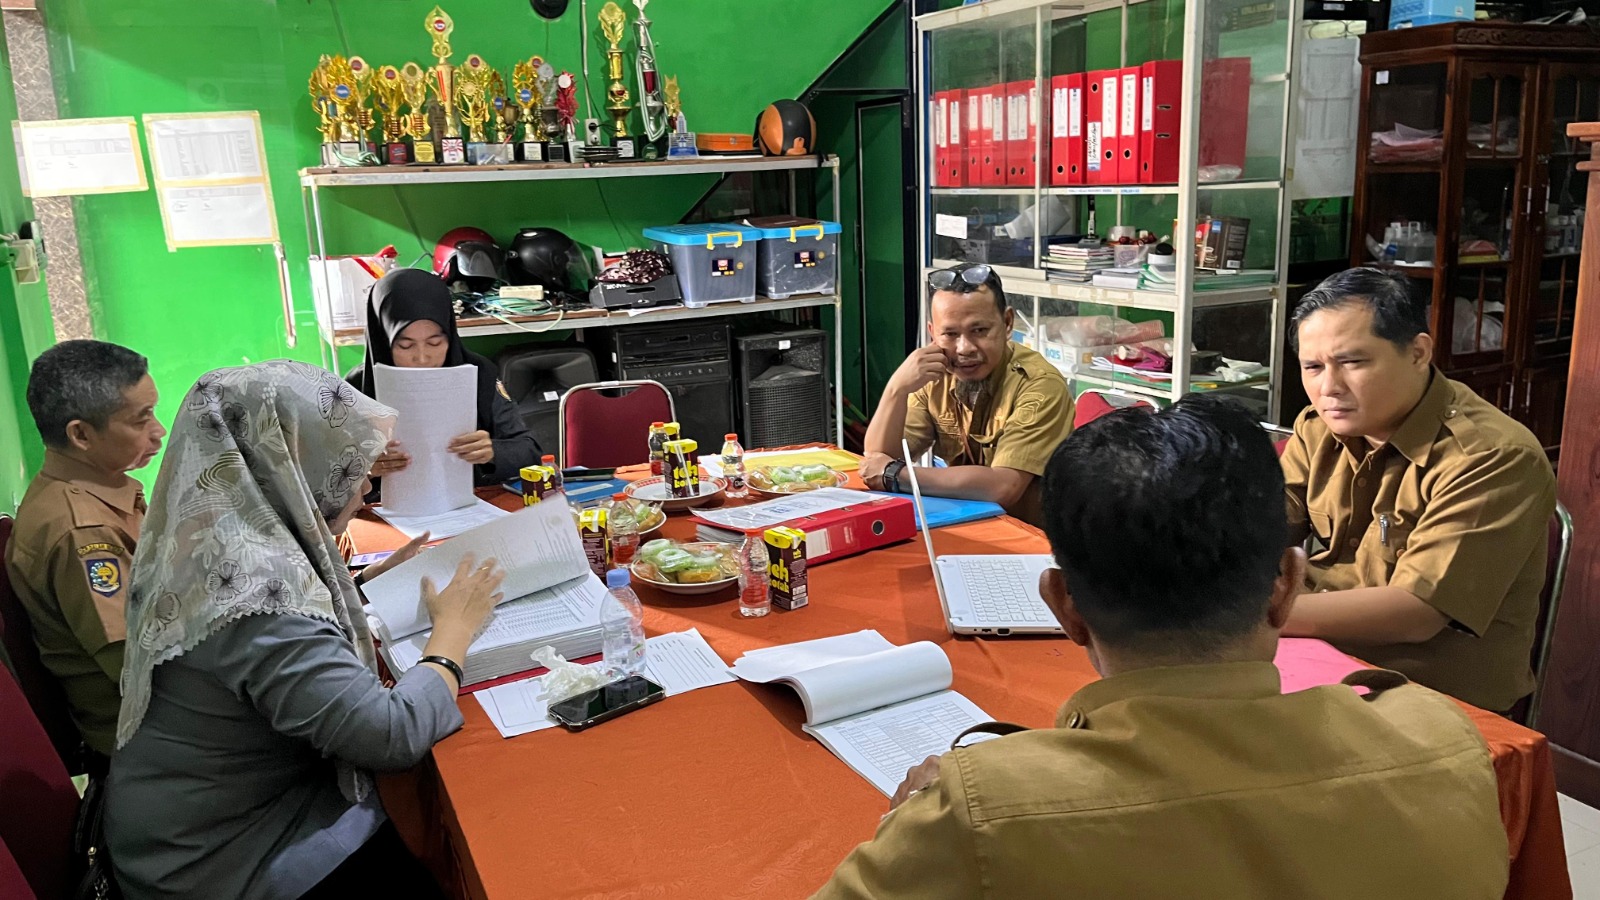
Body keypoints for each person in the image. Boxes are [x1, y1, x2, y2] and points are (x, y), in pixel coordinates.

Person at [815, 395, 1509, 899]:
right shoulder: (1442, 740)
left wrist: (917, 824)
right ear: (1286, 586)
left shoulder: (980, 813)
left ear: (1064, 607)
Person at [105, 361, 506, 900]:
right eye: (348, 463)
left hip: (206, 822)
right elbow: (390, 735)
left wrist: (359, 587)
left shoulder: (214, 535)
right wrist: (453, 634)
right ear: (292, 462)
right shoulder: (257, 597)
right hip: (227, 864)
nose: (366, 483)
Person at [1280, 267, 1556, 714]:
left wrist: (1251, 616)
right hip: (1318, 656)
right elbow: (1263, 521)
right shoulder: (1320, 428)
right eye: (1313, 367)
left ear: (1418, 352)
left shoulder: (1492, 457)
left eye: (1353, 363)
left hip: (1432, 697)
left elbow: (1416, 611)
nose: (1328, 388)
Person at [5, 340, 164, 762]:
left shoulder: (96, 491)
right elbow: (140, 666)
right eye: (142, 418)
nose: (159, 431)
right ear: (81, 435)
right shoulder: (83, 532)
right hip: (150, 741)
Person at [860, 264, 1072, 527]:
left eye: (979, 331)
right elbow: (877, 462)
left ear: (1007, 323)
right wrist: (896, 389)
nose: (965, 348)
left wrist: (897, 475)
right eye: (950, 334)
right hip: (965, 524)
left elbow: (1004, 486)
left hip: (1032, 536)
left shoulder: (1039, 384)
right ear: (932, 332)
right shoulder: (933, 375)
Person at [347, 267, 540, 487]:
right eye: (405, 345)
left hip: (472, 501)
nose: (422, 358)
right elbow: (327, 479)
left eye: (434, 343)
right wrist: (365, 470)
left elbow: (530, 451)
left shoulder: (479, 374)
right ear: (383, 340)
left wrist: (493, 451)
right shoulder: (355, 388)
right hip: (384, 506)